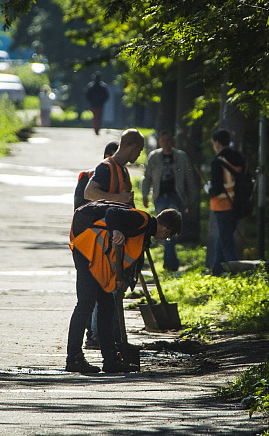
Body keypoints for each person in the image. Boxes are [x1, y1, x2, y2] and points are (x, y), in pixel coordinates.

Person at [66, 203, 183, 373]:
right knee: (86, 303)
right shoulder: (141, 219)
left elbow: (121, 257)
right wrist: (116, 230)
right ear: (166, 229)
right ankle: (74, 358)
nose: (165, 238)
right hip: (87, 250)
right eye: (168, 235)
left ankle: (110, 360)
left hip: (98, 260)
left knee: (107, 305)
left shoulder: (143, 234)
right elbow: (112, 212)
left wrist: (118, 280)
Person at [73, 140, 119, 350]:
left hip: (111, 246)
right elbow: (81, 210)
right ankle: (91, 336)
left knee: (108, 295)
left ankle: (108, 342)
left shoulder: (122, 180)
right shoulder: (88, 177)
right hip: (88, 245)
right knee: (88, 299)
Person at [140, 129, 196, 271]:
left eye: (169, 140)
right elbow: (147, 177)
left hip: (177, 197)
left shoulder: (181, 157)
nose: (166, 143)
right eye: (163, 140)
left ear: (173, 141)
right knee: (164, 228)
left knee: (171, 227)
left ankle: (170, 262)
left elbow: (189, 179)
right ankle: (171, 261)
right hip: (160, 197)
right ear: (159, 141)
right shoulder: (154, 157)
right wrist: (145, 195)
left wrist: (191, 198)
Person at [205, 129, 244, 276]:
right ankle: (216, 270)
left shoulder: (217, 162)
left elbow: (217, 188)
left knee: (226, 241)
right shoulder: (239, 158)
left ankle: (236, 273)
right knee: (223, 238)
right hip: (238, 204)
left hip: (222, 205)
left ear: (217, 143)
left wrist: (208, 188)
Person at [83, 128, 145, 207]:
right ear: (134, 148)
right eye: (139, 150)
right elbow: (89, 193)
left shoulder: (124, 170)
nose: (139, 154)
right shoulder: (106, 167)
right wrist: (119, 198)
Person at [74, 141, 119, 210]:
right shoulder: (87, 176)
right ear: (107, 157)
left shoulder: (123, 176)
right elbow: (79, 209)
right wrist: (118, 198)